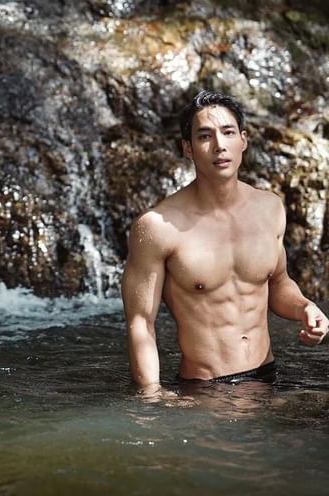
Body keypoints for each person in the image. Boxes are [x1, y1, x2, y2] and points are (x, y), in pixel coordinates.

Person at [121, 89, 328, 395]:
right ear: (188, 148)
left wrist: (305, 307)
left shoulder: (270, 209)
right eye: (205, 136)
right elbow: (140, 323)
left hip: (268, 377)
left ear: (243, 140)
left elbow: (278, 283)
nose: (219, 145)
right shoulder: (158, 227)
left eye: (228, 132)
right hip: (205, 390)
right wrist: (152, 394)